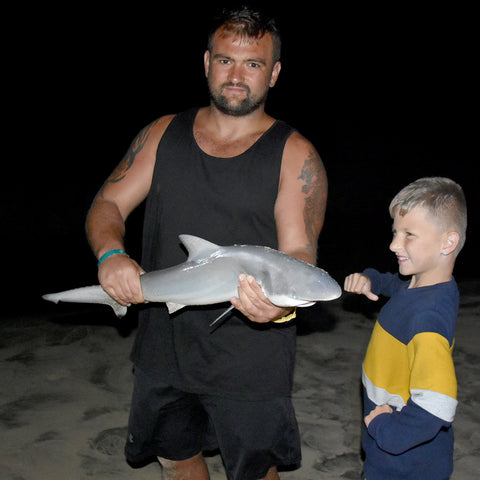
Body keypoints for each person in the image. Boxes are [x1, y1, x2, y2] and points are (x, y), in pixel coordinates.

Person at [85, 6, 328, 480]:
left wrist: (278, 309)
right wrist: (112, 254)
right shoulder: (161, 134)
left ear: (274, 73)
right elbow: (106, 205)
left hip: (251, 355)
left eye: (253, 64)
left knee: (255, 470)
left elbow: (300, 254)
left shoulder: (295, 154)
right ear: (206, 63)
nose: (237, 76)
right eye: (225, 61)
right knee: (177, 458)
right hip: (164, 344)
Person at [344, 177, 467, 479]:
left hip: (404, 459)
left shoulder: (427, 321)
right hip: (393, 443)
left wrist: (385, 429)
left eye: (409, 235)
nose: (394, 244)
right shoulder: (426, 285)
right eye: (395, 232)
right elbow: (398, 285)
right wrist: (370, 278)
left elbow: (437, 405)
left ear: (447, 242)